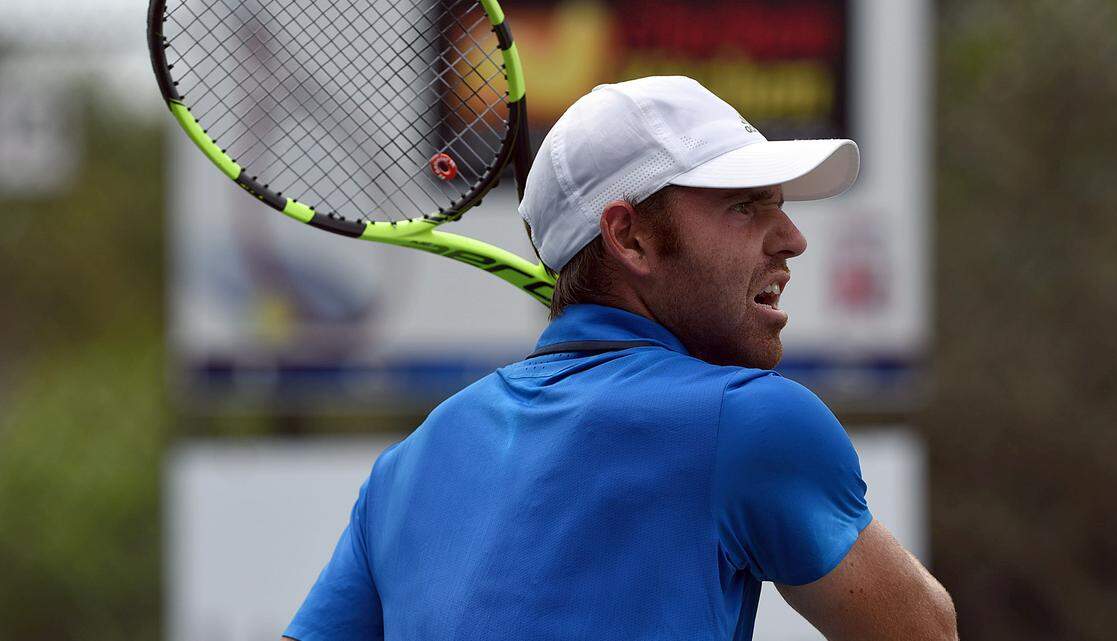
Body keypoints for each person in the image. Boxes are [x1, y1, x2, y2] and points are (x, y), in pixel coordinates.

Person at [283, 76, 957, 641]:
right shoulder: (752, 419)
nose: (792, 238)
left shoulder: (406, 465)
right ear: (628, 237)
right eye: (746, 207)